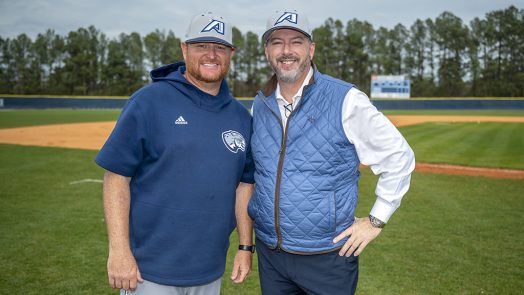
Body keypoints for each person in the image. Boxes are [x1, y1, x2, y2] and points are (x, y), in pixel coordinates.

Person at [248, 10, 416, 295]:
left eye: (296, 42)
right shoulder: (260, 103)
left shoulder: (345, 98)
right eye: (277, 42)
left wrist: (376, 219)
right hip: (271, 254)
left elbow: (399, 155)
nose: (286, 50)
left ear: (311, 49)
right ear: (267, 51)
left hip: (327, 257)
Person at [95, 12, 255, 295]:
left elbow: (245, 184)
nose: (211, 54)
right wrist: (119, 251)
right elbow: (116, 176)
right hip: (148, 271)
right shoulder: (148, 101)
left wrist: (245, 247)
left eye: (219, 47)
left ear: (231, 53)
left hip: (209, 269)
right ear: (184, 49)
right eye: (202, 46)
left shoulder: (241, 118)